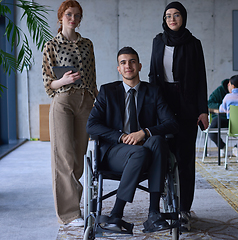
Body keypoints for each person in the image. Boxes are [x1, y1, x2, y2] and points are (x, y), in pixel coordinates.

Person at [86, 47, 179, 233]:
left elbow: (172, 123)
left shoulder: (153, 91)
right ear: (118, 69)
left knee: (158, 141)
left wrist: (144, 132)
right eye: (123, 62)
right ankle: (116, 214)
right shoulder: (107, 91)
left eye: (132, 61)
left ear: (139, 66)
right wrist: (120, 136)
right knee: (140, 151)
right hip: (116, 151)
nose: (128, 65)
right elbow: (92, 125)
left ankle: (154, 213)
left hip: (149, 152)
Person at [148, 1, 208, 231]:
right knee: (162, 154)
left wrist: (202, 109)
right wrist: (150, 105)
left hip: (187, 104)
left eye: (176, 15)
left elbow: (201, 78)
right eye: (168, 15)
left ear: (183, 18)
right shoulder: (157, 41)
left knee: (184, 158)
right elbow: (153, 74)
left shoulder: (194, 44)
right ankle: (164, 203)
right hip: (161, 102)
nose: (172, 19)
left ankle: (184, 209)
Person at [42, 0, 97, 227]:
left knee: (77, 159)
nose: (73, 19)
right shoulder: (51, 45)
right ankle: (69, 214)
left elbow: (93, 76)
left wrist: (98, 101)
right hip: (63, 101)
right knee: (63, 157)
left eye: (76, 15)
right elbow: (47, 83)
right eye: (68, 15)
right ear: (60, 17)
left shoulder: (87, 44)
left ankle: (75, 205)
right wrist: (62, 80)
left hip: (85, 100)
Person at [208, 78, 238, 159]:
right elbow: (210, 103)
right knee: (212, 129)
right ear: (229, 85)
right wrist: (223, 107)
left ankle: (237, 149)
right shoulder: (219, 91)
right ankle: (222, 146)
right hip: (222, 118)